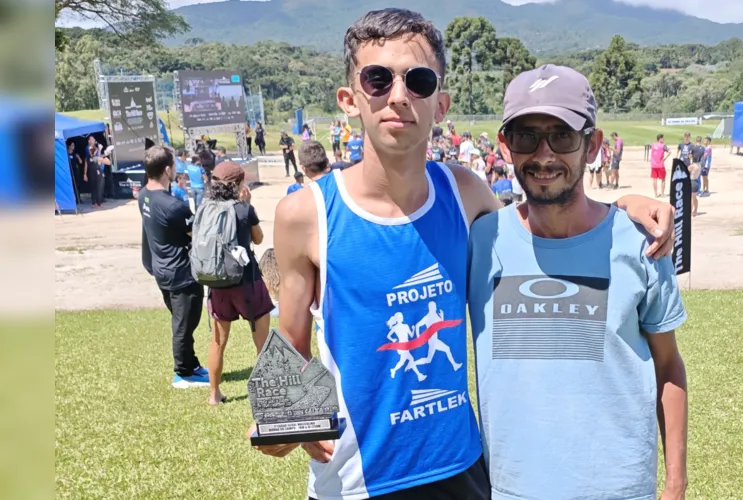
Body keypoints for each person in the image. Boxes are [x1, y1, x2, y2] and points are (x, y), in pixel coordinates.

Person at [253, 9, 676, 499]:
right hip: (356, 481)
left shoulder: (465, 193)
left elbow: (540, 223)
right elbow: (291, 342)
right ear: (350, 99)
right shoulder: (305, 215)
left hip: (462, 471)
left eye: (418, 80)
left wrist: (621, 209)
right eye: (377, 79)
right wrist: (285, 424)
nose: (397, 96)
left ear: (441, 102)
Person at [468, 63, 689, 500]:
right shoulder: (480, 239)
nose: (544, 154)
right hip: (510, 489)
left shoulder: (642, 243)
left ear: (593, 146)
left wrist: (676, 484)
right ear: (505, 146)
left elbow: (668, 366)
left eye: (563, 136)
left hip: (620, 489)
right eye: (527, 136)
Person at [203, 162, 274, 406]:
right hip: (247, 282)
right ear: (239, 184)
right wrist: (249, 205)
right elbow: (258, 238)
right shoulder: (243, 210)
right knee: (261, 341)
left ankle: (214, 394)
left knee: (218, 342)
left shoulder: (205, 208)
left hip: (218, 284)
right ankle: (264, 395)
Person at [138, 146, 209, 388]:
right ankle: (184, 373)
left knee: (183, 322)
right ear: (168, 170)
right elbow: (197, 235)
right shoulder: (173, 206)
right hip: (180, 274)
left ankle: (192, 363)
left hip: (161, 269)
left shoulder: (144, 195)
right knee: (184, 325)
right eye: (174, 166)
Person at [85, 135, 110, 208]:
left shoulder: (96, 148)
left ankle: (99, 202)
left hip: (98, 168)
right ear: (89, 141)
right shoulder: (88, 148)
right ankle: (94, 202)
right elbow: (93, 157)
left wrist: (103, 153)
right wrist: (85, 173)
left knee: (100, 186)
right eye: (91, 139)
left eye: (94, 139)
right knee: (94, 186)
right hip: (92, 169)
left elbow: (99, 158)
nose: (93, 140)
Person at [649, 133, 668, 197]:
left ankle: (656, 194)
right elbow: (669, 151)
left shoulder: (653, 145)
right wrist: (665, 158)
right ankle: (662, 194)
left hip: (653, 165)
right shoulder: (663, 146)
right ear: (660, 139)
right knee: (663, 179)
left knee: (654, 179)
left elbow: (650, 146)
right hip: (660, 165)